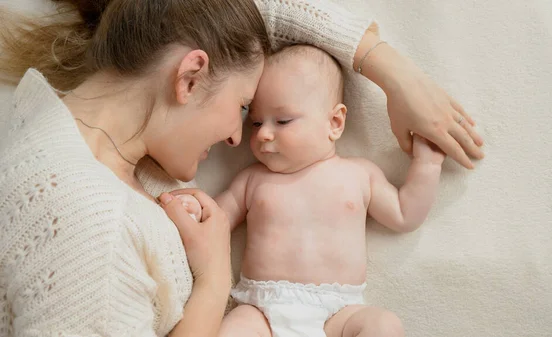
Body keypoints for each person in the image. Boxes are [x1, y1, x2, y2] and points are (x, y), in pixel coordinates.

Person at [0, 1, 483, 336]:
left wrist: (394, 73)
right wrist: (213, 277)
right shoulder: (90, 231)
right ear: (189, 78)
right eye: (245, 108)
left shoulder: (88, 124)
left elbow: (250, 15)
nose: (242, 138)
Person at [195, 45, 442, 337]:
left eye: (283, 121)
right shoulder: (252, 179)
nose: (263, 134)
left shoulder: (359, 175)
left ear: (335, 123)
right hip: (261, 309)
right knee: (234, 331)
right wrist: (194, 208)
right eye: (257, 122)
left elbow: (404, 214)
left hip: (338, 313)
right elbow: (216, 220)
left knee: (384, 326)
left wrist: (427, 163)